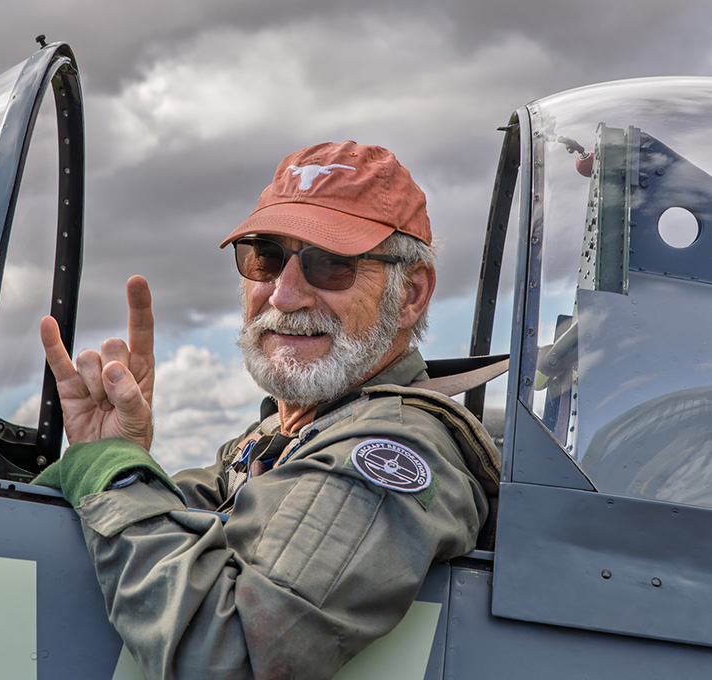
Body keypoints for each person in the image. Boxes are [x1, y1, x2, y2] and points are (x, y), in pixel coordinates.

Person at [35, 141, 495, 679]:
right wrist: (118, 451)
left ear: (412, 294)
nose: (283, 294)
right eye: (266, 258)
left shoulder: (391, 449)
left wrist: (106, 468)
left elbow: (230, 656)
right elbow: (164, 517)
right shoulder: (277, 438)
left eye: (330, 265)